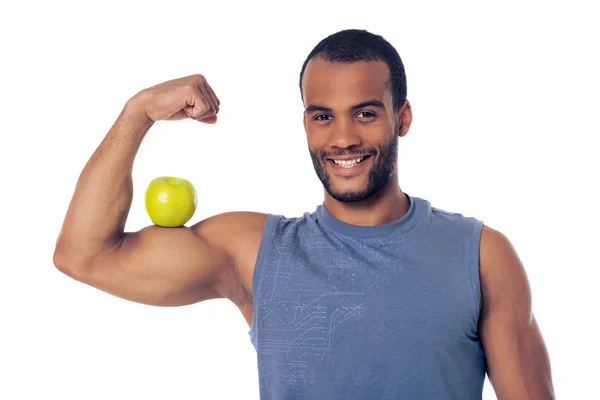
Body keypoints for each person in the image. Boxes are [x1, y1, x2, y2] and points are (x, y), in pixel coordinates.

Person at [53, 29, 555, 399]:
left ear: (401, 117)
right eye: (323, 116)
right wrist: (138, 112)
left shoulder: (481, 255)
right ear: (306, 124)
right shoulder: (255, 252)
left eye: (365, 112)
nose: (342, 138)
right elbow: (84, 255)